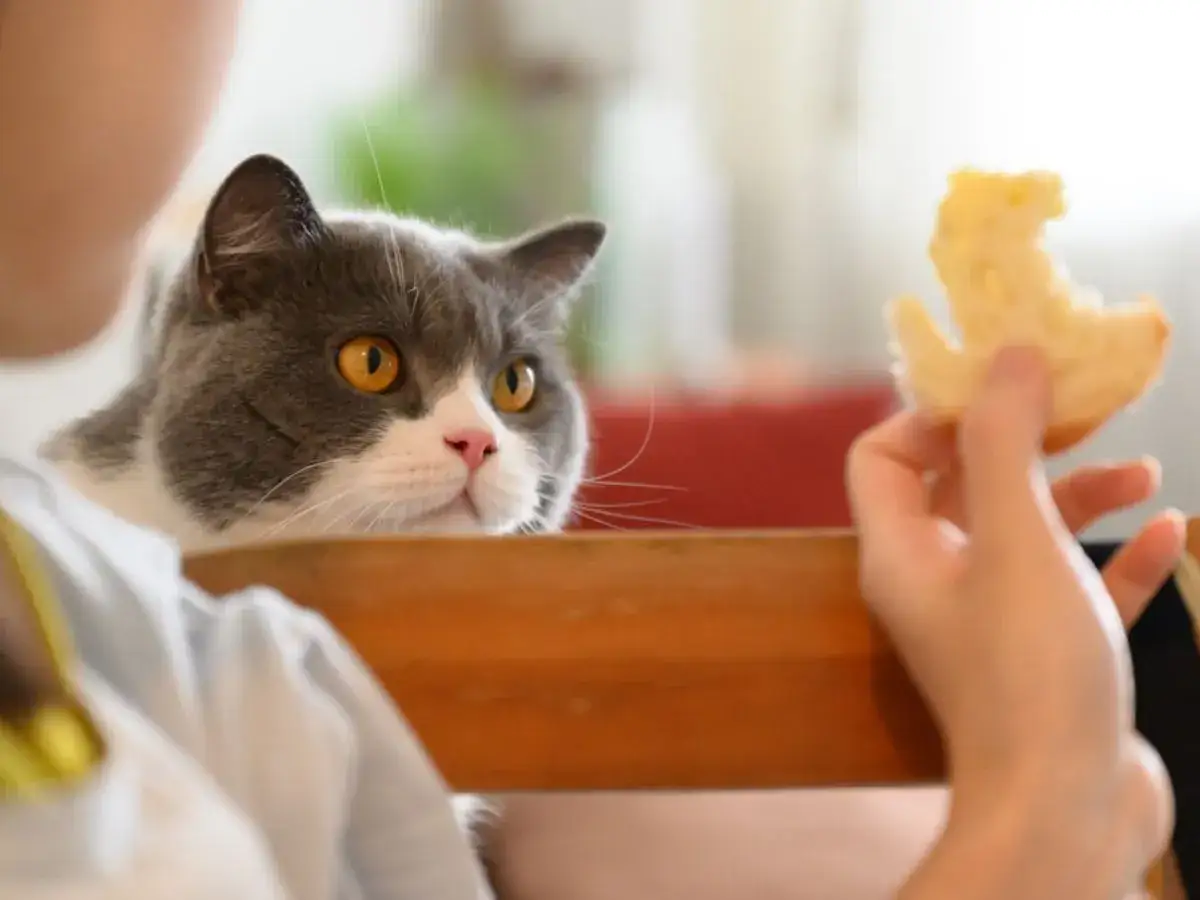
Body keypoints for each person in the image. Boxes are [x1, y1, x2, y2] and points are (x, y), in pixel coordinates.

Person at [0, 2, 1181, 897]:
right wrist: (1038, 820)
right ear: (227, 285)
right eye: (375, 367)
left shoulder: (170, 637)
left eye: (517, 387)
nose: (475, 435)